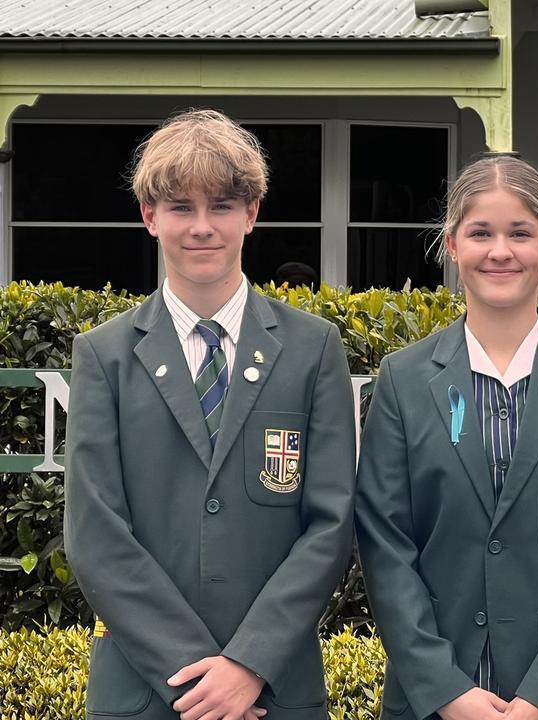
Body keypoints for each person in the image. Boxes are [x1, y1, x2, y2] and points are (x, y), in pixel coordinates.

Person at [65, 109, 356, 720]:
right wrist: (201, 682)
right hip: (147, 694)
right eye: (180, 208)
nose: (202, 227)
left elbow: (330, 524)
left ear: (252, 214)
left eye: (222, 206)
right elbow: (96, 536)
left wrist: (248, 664)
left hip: (275, 690)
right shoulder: (104, 356)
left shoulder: (312, 349)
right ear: (149, 217)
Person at [354, 156, 538, 720]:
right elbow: (385, 547)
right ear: (452, 244)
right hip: (433, 699)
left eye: (521, 233)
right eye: (480, 233)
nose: (500, 251)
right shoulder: (403, 379)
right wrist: (447, 692)